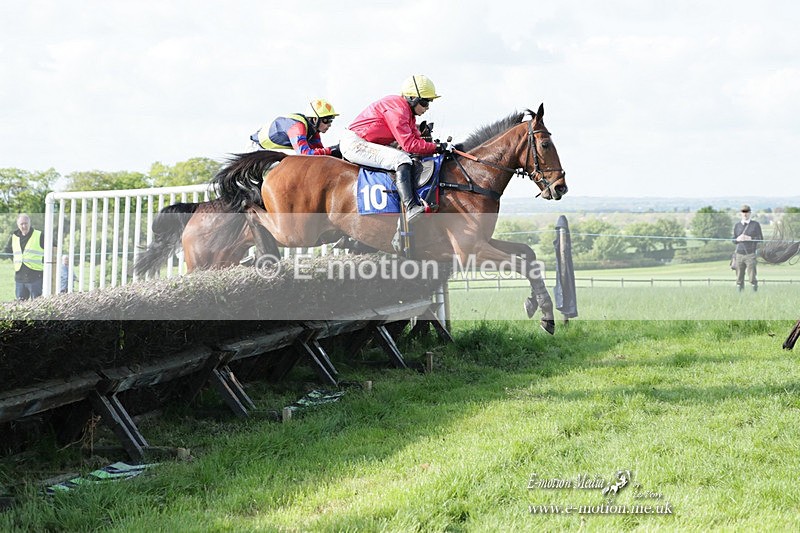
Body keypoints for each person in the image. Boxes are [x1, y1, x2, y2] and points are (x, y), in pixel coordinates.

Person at [339, 74, 453, 251]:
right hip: (355, 143)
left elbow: (416, 139)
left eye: (429, 102)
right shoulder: (398, 109)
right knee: (401, 159)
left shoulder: (408, 112)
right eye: (425, 102)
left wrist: (437, 146)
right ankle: (411, 207)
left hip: (365, 142)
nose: (427, 107)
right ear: (412, 98)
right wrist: (437, 147)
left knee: (407, 159)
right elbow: (409, 145)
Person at [250, 98, 342, 157]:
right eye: (326, 120)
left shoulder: (313, 132)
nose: (329, 124)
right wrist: (332, 149)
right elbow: (305, 154)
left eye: (331, 121)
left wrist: (335, 151)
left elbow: (320, 155)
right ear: (315, 119)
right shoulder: (298, 128)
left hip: (271, 150)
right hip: (257, 149)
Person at [3, 214, 45, 299]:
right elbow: (7, 250)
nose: (24, 226)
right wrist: (14, 259)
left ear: (30, 223)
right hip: (20, 277)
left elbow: (53, 249)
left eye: (26, 223)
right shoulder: (14, 236)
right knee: (20, 304)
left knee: (37, 303)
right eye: (21, 224)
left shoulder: (39, 235)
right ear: (18, 225)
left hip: (35, 276)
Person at [732, 204, 763, 292]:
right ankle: (740, 294)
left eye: (747, 212)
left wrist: (750, 238)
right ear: (741, 213)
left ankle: (754, 293)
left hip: (750, 254)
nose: (745, 214)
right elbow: (733, 239)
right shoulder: (737, 225)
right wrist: (737, 239)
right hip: (739, 254)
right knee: (739, 277)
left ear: (750, 213)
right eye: (743, 212)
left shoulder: (755, 225)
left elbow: (760, 239)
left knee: (752, 276)